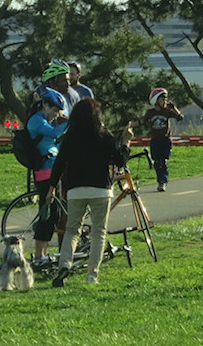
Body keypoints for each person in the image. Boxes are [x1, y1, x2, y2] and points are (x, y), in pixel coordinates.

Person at [46, 99, 131, 287]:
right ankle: (92, 275)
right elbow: (120, 161)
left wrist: (52, 187)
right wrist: (126, 141)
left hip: (75, 189)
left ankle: (64, 265)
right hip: (101, 189)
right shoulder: (105, 136)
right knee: (99, 233)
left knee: (72, 230)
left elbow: (60, 163)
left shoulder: (70, 137)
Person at [26, 86, 68, 268]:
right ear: (44, 105)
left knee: (54, 214)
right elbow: (54, 134)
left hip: (52, 171)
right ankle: (38, 256)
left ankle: (42, 254)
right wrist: (70, 123)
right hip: (44, 173)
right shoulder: (36, 121)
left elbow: (52, 145)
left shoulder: (44, 120)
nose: (56, 115)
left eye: (59, 111)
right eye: (54, 110)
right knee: (47, 214)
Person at [140, 88, 182, 192]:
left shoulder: (167, 111)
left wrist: (174, 108)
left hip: (165, 140)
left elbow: (180, 117)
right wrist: (130, 125)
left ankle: (163, 182)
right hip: (155, 141)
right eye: (163, 99)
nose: (165, 102)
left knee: (163, 162)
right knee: (157, 162)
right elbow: (142, 121)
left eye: (166, 99)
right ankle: (160, 181)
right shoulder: (150, 113)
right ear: (156, 100)